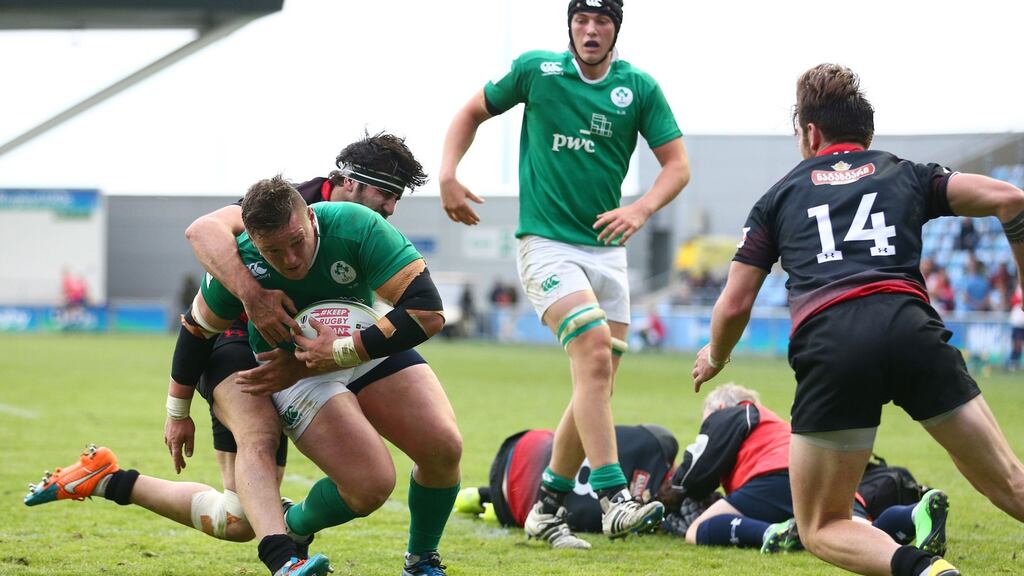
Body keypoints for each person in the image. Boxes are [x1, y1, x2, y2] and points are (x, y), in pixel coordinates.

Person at [27, 134, 459, 576]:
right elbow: (201, 245)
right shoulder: (271, 216)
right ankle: (277, 548)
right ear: (348, 182)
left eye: (397, 198)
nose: (391, 207)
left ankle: (410, 557)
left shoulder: (355, 224)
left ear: (311, 222)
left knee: (443, 446)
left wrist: (341, 349)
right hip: (240, 346)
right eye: (385, 194)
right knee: (241, 509)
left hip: (339, 337)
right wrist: (251, 298)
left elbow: (426, 310)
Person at [692, 63, 1024, 576]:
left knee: (821, 525)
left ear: (809, 133)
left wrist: (715, 357)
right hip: (912, 331)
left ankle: (929, 573)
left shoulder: (777, 198)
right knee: (1007, 480)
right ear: (866, 134)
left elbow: (735, 304)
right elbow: (1010, 199)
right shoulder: (905, 171)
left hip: (834, 344)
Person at [439, 0, 690, 549]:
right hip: (547, 245)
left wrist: (641, 209)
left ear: (616, 28)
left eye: (601, 21)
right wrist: (449, 174)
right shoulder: (538, 70)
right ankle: (612, 497)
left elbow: (678, 165)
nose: (590, 30)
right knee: (595, 356)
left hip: (607, 251)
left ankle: (546, 507)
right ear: (570, 26)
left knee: (595, 381)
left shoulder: (639, 89)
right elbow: (470, 112)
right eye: (581, 20)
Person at [664, 384, 948, 557]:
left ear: (722, 407)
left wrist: (672, 494)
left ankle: (771, 534)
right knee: (858, 531)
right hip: (822, 471)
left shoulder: (737, 412)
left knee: (697, 529)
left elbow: (694, 475)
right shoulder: (773, 424)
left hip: (774, 476)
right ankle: (914, 514)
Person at [454, 424, 678, 542]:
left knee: (590, 391)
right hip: (515, 510)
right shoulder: (646, 522)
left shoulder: (659, 442)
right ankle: (485, 500)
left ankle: (482, 497)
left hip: (523, 447)